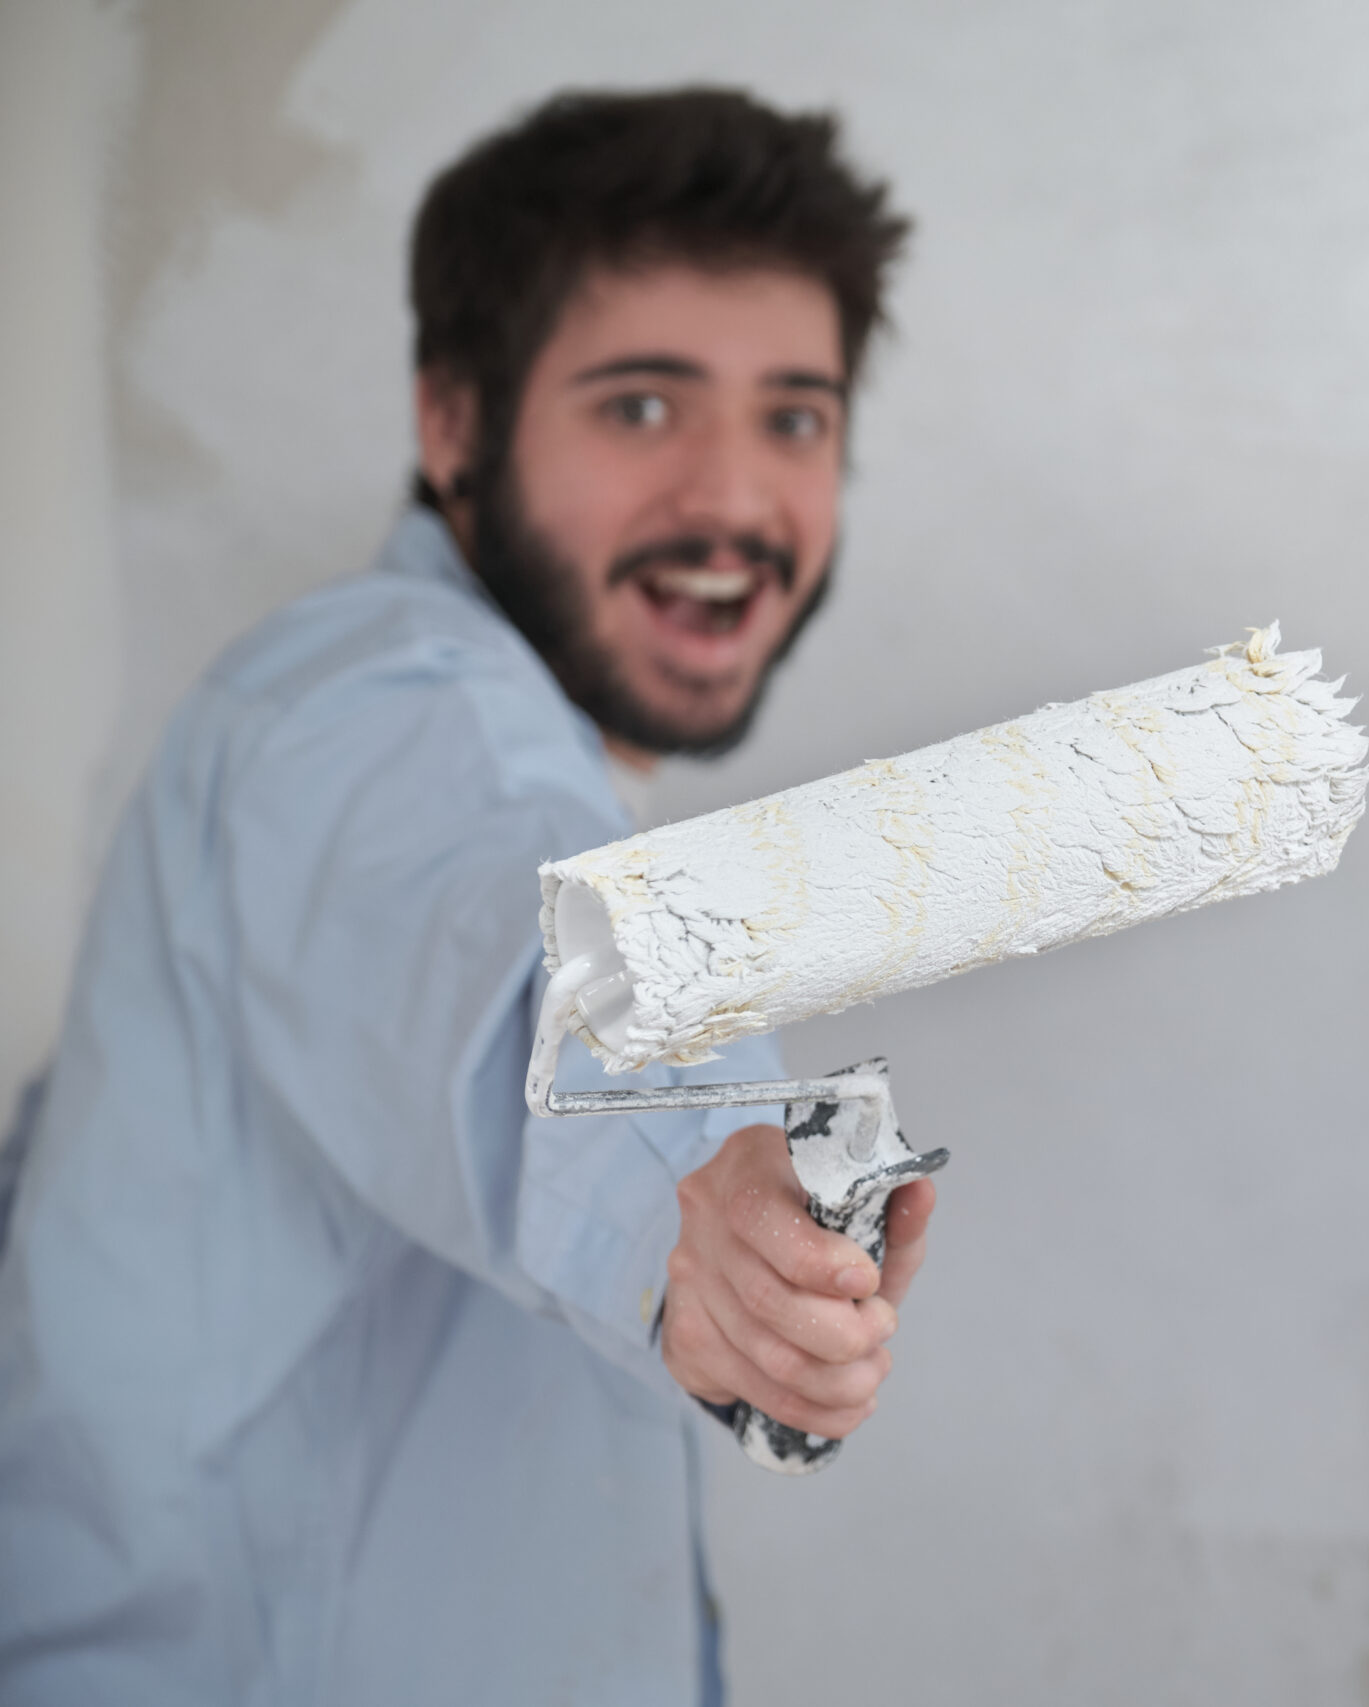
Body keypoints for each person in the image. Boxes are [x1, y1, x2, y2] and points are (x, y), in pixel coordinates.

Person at [0, 89, 936, 1704]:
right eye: (642, 408)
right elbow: (503, 957)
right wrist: (684, 1195)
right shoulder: (370, 716)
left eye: (794, 414)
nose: (733, 498)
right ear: (452, 424)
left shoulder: (375, 745)